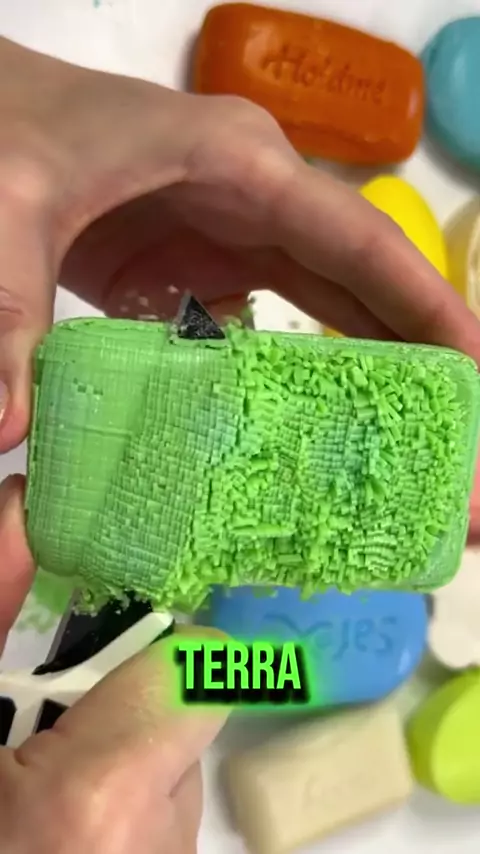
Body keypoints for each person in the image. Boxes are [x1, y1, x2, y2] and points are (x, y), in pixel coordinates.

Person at [0, 34, 479, 852]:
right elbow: (202, 676)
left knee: (207, 667)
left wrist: (23, 113)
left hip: (184, 650)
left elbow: (216, 673)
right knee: (202, 669)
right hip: (168, 644)